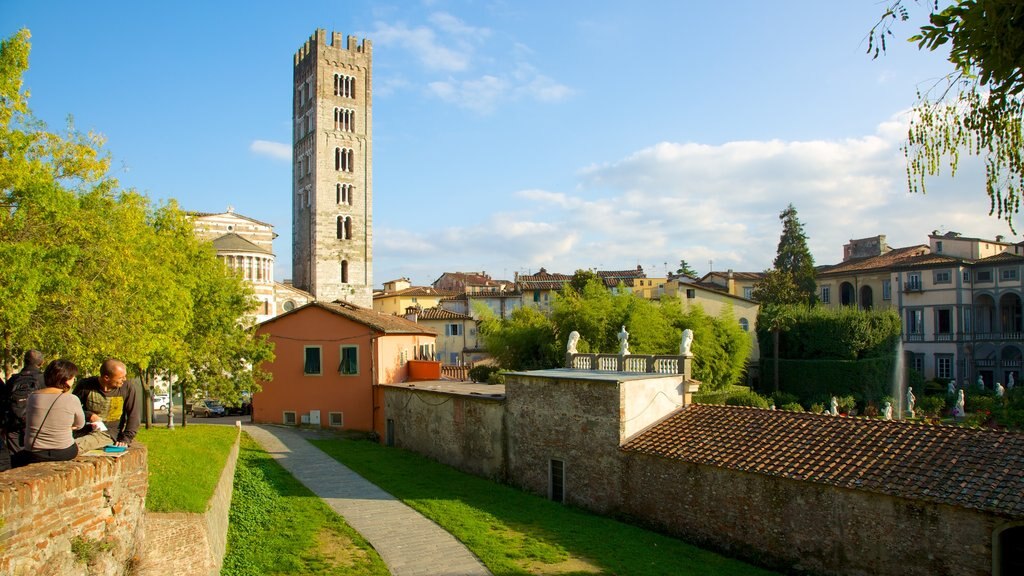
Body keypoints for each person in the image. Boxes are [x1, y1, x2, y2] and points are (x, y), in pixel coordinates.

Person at [13, 359, 85, 466]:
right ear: (66, 379)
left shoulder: (32, 397)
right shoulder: (72, 399)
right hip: (64, 452)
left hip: (34, 452)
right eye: (73, 378)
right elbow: (80, 425)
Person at [72, 359, 140, 452]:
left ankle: (65, 450)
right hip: (83, 429)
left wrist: (126, 439)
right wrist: (89, 415)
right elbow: (71, 409)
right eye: (121, 377)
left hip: (108, 433)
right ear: (106, 378)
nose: (124, 379)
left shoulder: (127, 388)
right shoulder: (85, 385)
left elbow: (134, 415)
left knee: (79, 445)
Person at [2, 350, 46, 452]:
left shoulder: (13, 380)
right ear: (41, 362)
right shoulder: (44, 379)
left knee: (15, 458)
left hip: (13, 424)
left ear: (25, 361)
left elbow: (4, 402)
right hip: (36, 424)